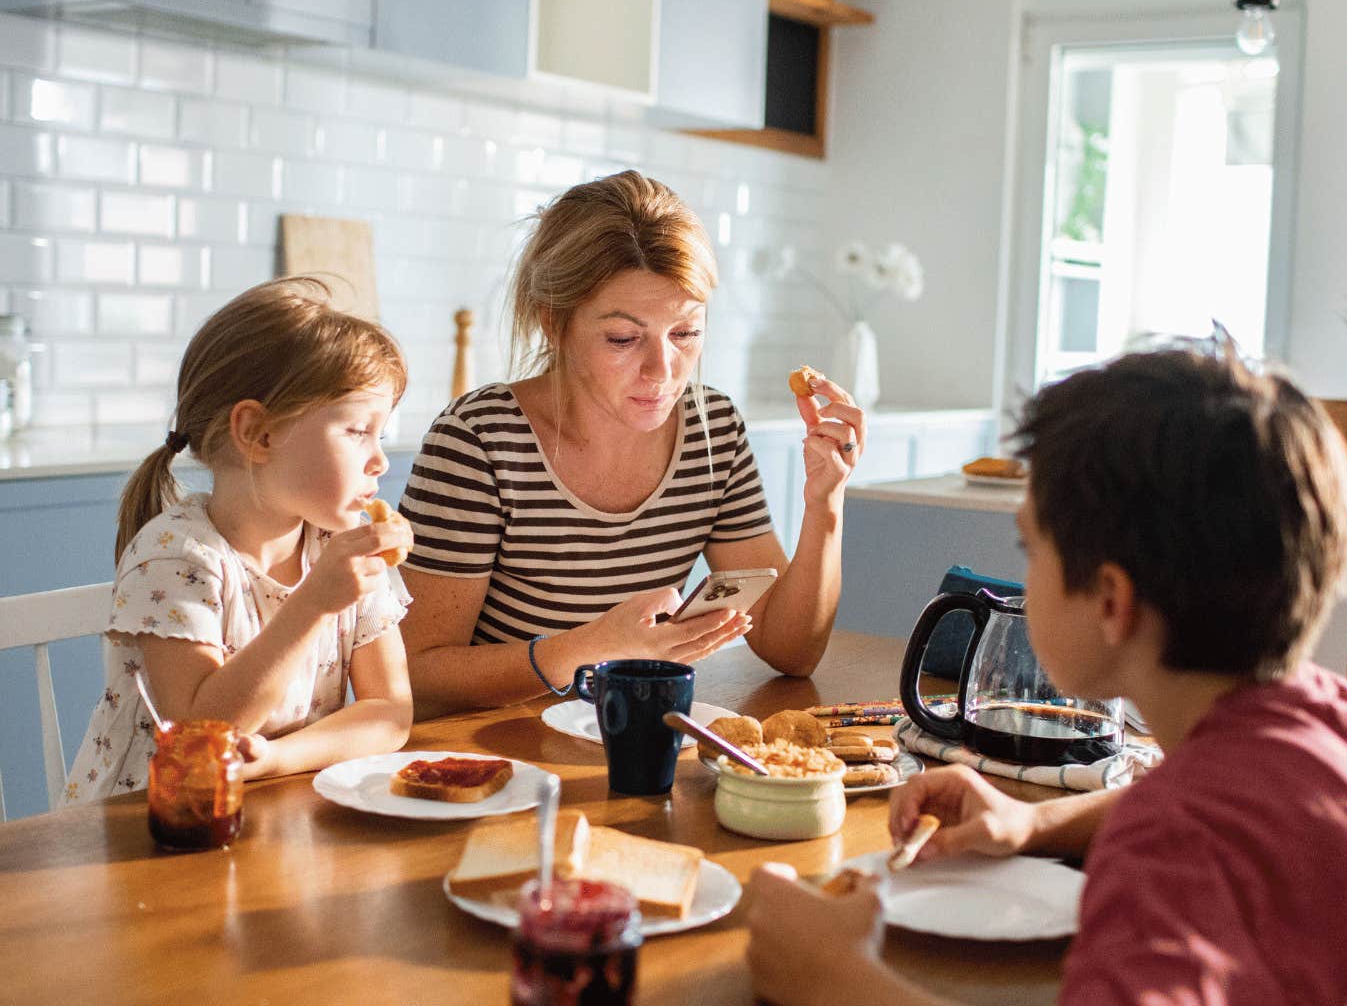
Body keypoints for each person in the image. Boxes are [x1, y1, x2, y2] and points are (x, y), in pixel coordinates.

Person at [746, 338, 1347, 1005]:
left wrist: (830, 977)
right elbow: (1220, 809)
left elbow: (1190, 830)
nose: (1028, 572)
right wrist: (1035, 822)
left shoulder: (1176, 852)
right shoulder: (1333, 718)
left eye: (1031, 550)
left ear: (1111, 601)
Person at [396, 170, 863, 713]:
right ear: (554, 322)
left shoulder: (712, 429)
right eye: (623, 338)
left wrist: (825, 501)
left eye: (685, 333)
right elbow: (417, 672)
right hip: (491, 759)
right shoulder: (478, 441)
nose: (662, 370)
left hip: (629, 741)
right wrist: (592, 646)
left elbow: (792, 651)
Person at [62, 277, 416, 802]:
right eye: (356, 431)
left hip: (268, 813)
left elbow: (389, 712)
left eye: (380, 434)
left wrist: (276, 760)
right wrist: (314, 602)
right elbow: (205, 732)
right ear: (258, 433)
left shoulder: (340, 549)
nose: (379, 460)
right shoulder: (177, 556)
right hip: (146, 830)